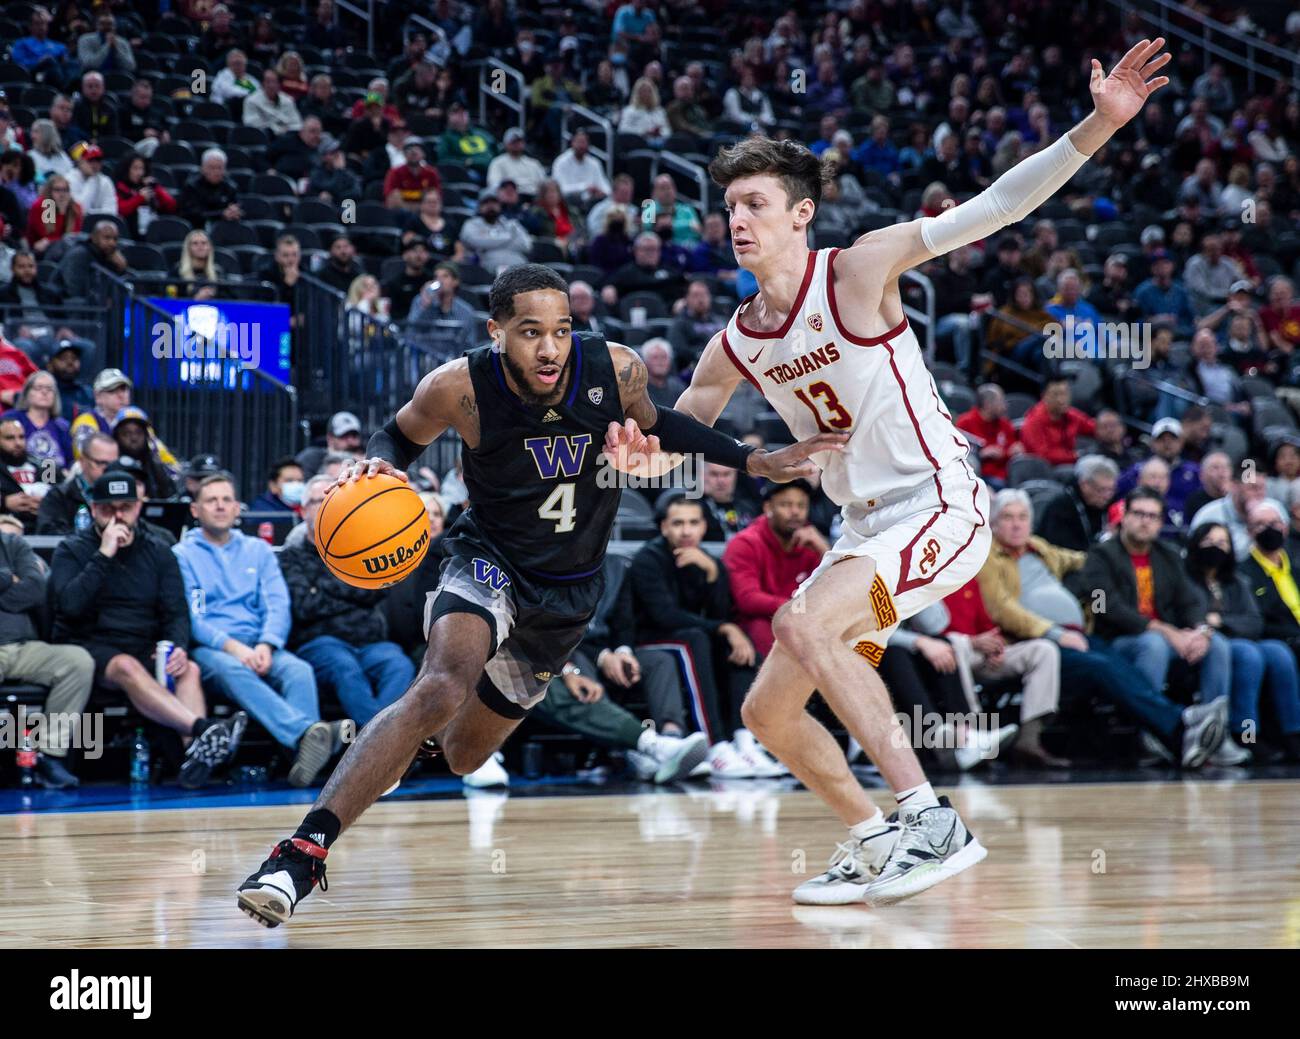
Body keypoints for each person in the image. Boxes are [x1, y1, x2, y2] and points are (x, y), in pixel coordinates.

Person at [606, 39, 1177, 907]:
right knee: (766, 712)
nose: (738, 218)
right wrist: (642, 448)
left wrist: (1096, 127)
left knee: (805, 625)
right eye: (730, 205)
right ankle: (875, 840)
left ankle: (931, 820)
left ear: (802, 214)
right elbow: (688, 423)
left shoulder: (860, 268)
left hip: (939, 500)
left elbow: (994, 208)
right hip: (866, 524)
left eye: (756, 202)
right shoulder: (737, 340)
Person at [235, 264, 833, 927]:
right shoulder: (459, 387)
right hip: (487, 562)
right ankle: (299, 853)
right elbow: (399, 435)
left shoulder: (616, 369)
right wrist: (380, 463)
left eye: (561, 329)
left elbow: (660, 424)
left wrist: (752, 458)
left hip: (571, 592)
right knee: (438, 685)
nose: (549, 348)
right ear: (496, 332)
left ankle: (395, 752)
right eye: (529, 332)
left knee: (464, 754)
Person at [980, 488, 1228, 768]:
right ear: (993, 522)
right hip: (1035, 640)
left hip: (1075, 635)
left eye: (1023, 517)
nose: (1016, 524)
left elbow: (1082, 559)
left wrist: (1109, 553)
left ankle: (1180, 731)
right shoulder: (987, 555)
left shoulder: (1038, 547)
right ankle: (1180, 726)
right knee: (1102, 667)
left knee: (1115, 662)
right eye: (1008, 517)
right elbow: (1001, 608)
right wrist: (1057, 633)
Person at [49, 468, 247, 788]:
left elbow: (176, 612)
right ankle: (203, 729)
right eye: (107, 508)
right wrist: (104, 554)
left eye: (125, 507)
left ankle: (194, 761)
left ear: (139, 507)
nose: (117, 516)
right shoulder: (72, 549)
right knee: (126, 665)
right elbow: (69, 608)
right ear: (93, 508)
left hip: (145, 643)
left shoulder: (158, 550)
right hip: (88, 645)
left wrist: (177, 646)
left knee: (189, 670)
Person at [175, 474, 343, 788]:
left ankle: (303, 764)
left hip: (260, 644)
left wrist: (267, 643)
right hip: (214, 650)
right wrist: (234, 648)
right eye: (212, 500)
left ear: (238, 508)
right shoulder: (182, 554)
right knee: (233, 670)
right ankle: (305, 735)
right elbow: (191, 618)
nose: (221, 506)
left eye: (227, 500)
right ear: (196, 510)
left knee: (299, 671)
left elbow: (278, 604)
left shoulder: (259, 550)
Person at [629, 491, 779, 777]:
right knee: (698, 639)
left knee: (737, 647)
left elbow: (719, 614)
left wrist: (713, 575)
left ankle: (743, 738)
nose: (686, 530)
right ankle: (714, 744)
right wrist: (723, 628)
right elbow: (665, 617)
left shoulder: (706, 559)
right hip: (650, 638)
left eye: (693, 522)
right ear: (664, 527)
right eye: (678, 523)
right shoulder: (647, 559)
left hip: (686, 636)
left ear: (703, 526)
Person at [1078, 487, 1232, 715]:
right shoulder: (1101, 556)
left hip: (1168, 637)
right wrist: (1165, 631)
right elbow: (1106, 607)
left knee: (1217, 644)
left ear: (1160, 523)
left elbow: (1189, 600)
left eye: (1152, 516)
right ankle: (1150, 729)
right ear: (1125, 516)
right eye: (1139, 514)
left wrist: (1201, 631)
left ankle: (1211, 727)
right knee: (1153, 644)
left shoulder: (1168, 554)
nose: (1145, 522)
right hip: (1118, 639)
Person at [1185, 521, 1300, 763]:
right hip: (1212, 642)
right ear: (1196, 543)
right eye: (1209, 542)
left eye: (1222, 542)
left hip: (1240, 636)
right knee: (1249, 654)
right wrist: (1218, 624)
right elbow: (1191, 617)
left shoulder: (1236, 580)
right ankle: (1245, 733)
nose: (1216, 547)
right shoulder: (1185, 578)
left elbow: (1254, 621)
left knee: (1278, 652)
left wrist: (1222, 621)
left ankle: (1292, 732)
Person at [0, 521, 93, 788]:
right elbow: (22, 587)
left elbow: (36, 590)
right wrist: (8, 578)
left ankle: (50, 755)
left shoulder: (13, 544)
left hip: (21, 647)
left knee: (77, 662)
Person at [723, 479, 828, 658]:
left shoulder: (810, 544)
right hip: (757, 624)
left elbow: (832, 593)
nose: (795, 511)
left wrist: (825, 551)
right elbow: (748, 600)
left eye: (801, 505)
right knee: (764, 628)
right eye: (786, 504)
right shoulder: (745, 543)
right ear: (768, 508)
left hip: (800, 621)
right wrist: (799, 608)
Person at [36, 430, 117, 534]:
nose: (108, 469)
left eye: (113, 464)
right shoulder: (58, 496)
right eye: (101, 463)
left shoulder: (125, 496)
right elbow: (48, 535)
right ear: (82, 461)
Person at [3, 370, 72, 475]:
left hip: (56, 481)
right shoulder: (11, 419)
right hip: (20, 477)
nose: (44, 392)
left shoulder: (62, 426)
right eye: (38, 388)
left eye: (49, 389)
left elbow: (70, 460)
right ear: (27, 393)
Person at [1020, 377, 1098, 465]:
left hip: (1071, 462)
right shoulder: (1033, 422)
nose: (1061, 400)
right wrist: (1074, 456)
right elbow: (1043, 455)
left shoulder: (1071, 415)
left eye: (1065, 393)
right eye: (1056, 395)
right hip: (1044, 469)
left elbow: (1095, 428)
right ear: (1044, 396)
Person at [954, 383, 1022, 486]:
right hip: (979, 475)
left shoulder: (1004, 423)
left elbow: (1012, 447)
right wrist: (981, 455)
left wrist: (1016, 449)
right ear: (988, 404)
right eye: (1001, 401)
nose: (1005, 406)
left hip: (1006, 473)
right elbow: (958, 456)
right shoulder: (965, 423)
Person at [178, 149, 242, 229]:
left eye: (219, 168)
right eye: (212, 167)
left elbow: (237, 207)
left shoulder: (230, 186)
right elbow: (192, 214)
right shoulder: (192, 186)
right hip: (197, 229)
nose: (216, 172)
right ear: (203, 168)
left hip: (225, 229)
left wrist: (235, 212)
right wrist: (221, 214)